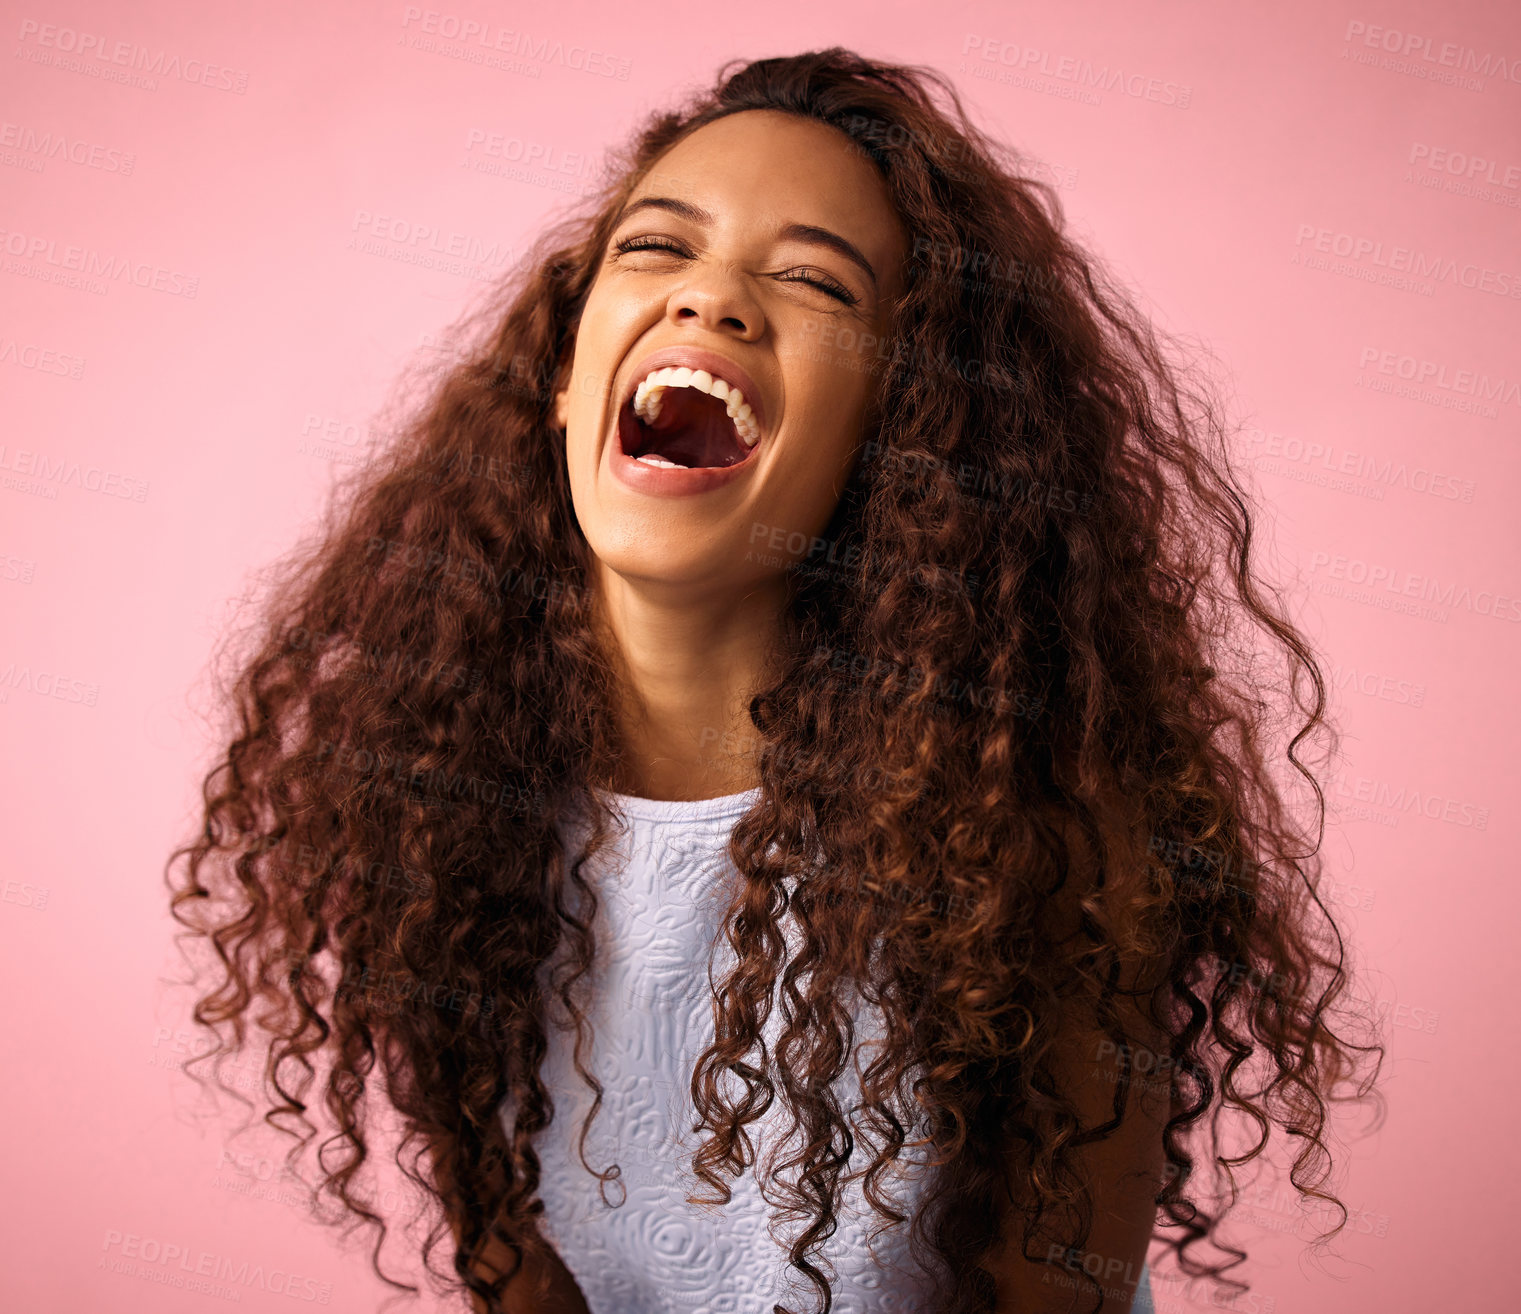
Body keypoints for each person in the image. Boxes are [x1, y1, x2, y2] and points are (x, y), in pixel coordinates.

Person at [166, 47, 1383, 1314]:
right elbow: (515, 1272)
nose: (713, 303)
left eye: (810, 279)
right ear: (566, 376)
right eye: (655, 249)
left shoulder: (1049, 834)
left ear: (907, 426)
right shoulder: (434, 792)